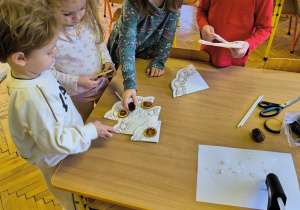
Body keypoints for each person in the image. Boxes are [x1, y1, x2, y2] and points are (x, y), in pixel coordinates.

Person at [0, 1, 116, 209]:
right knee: (75, 202)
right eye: (49, 52)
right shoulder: (34, 98)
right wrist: (91, 130)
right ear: (20, 58)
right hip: (58, 160)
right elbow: (56, 143)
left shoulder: (30, 72)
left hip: (66, 146)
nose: (55, 55)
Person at [46, 0, 116, 122]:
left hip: (101, 82)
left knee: (109, 116)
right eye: (67, 14)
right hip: (77, 93)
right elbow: (48, 73)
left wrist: (107, 61)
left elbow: (99, 43)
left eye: (81, 8)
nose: (77, 17)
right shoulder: (50, 38)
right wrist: (77, 81)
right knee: (84, 122)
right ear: (49, 9)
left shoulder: (88, 19)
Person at [107, 0, 183, 110]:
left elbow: (168, 36)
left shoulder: (173, 3)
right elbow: (127, 44)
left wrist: (159, 61)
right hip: (122, 50)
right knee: (112, 90)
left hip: (146, 48)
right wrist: (129, 84)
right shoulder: (132, 3)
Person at [196, 0, 273, 67]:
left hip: (235, 61)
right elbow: (202, 10)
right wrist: (203, 25)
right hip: (206, 55)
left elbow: (265, 28)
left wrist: (249, 44)